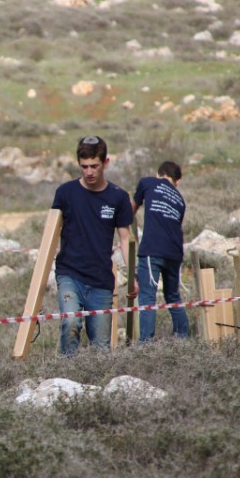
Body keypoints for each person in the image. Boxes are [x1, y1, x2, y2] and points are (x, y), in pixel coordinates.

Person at [52, 135, 134, 355]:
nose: (89, 172)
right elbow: (50, 234)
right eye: (84, 166)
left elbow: (125, 238)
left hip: (101, 281)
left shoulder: (118, 197)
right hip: (70, 274)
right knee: (70, 324)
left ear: (105, 163)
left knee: (101, 348)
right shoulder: (65, 193)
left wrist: (134, 275)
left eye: (94, 166)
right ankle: (67, 379)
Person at [132, 161, 189, 341]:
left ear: (159, 174)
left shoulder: (148, 182)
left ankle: (146, 345)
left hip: (152, 249)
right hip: (175, 252)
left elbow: (129, 211)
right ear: (177, 181)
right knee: (173, 296)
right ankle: (182, 338)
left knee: (147, 297)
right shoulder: (180, 200)